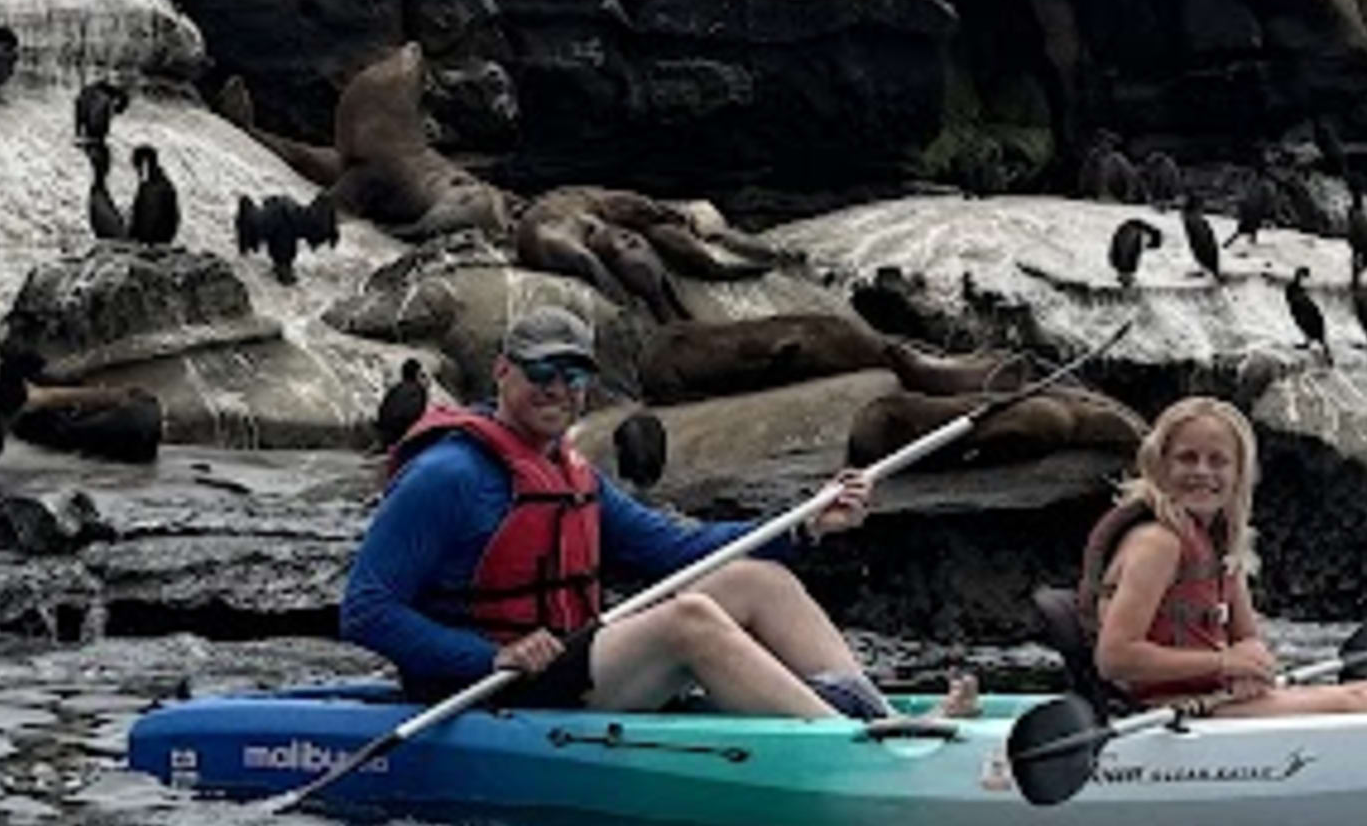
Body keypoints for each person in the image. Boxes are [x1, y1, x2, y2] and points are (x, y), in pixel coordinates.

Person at [343, 306, 956, 723]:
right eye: (540, 371)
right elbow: (366, 608)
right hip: (485, 685)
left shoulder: (571, 473)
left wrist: (807, 523)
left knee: (756, 580)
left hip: (564, 663)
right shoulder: (446, 475)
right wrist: (487, 658)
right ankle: (850, 747)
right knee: (689, 620)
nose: (557, 387)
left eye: (573, 374)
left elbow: (678, 551)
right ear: (503, 371)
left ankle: (880, 717)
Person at [1083, 395, 1367, 716]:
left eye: (1218, 461)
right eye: (1187, 458)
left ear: (1239, 474)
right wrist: (1224, 663)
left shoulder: (1222, 544)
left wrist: (1251, 665)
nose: (1203, 471)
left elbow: (1247, 638)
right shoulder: (1157, 543)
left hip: (1211, 697)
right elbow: (1115, 658)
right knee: (1361, 703)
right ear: (1160, 465)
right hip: (1161, 711)